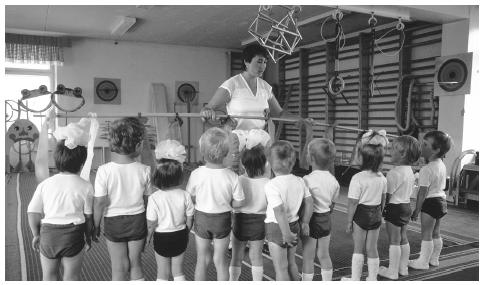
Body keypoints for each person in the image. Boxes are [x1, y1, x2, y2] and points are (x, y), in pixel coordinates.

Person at [27, 109, 96, 281]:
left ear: (56, 160)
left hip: (48, 234)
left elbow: (33, 213)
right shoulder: (86, 186)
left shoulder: (45, 184)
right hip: (73, 234)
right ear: (82, 162)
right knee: (71, 277)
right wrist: (88, 236)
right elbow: (88, 217)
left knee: (48, 277)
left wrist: (36, 234)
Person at [93, 117, 152, 281]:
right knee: (136, 263)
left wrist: (95, 225)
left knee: (118, 267)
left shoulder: (103, 171)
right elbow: (148, 201)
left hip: (114, 222)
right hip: (138, 219)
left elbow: (99, 202)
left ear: (111, 143)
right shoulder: (144, 170)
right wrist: (149, 223)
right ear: (139, 145)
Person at [186, 127, 245, 281]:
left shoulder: (196, 174)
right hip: (222, 219)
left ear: (202, 152)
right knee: (220, 260)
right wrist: (227, 202)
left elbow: (189, 197)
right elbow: (239, 203)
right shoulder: (232, 176)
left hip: (202, 218)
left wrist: (200, 200)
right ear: (226, 154)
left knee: (202, 259)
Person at [341, 130, 388, 281]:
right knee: (372, 248)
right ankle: (372, 278)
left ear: (362, 158)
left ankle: (355, 280)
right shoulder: (382, 178)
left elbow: (353, 202)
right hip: (375, 213)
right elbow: (383, 198)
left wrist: (349, 221)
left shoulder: (357, 178)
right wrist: (380, 215)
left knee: (358, 248)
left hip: (361, 214)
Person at [146, 139, 194, 281]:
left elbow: (151, 223)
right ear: (179, 176)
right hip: (180, 234)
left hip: (162, 237)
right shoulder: (185, 195)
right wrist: (186, 230)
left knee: (162, 272)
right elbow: (190, 218)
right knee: (178, 271)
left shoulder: (154, 198)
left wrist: (148, 237)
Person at [264, 140, 313, 281]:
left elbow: (279, 211)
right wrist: (305, 223)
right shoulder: (300, 180)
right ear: (292, 162)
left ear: (270, 163)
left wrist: (286, 233)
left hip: (277, 228)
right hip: (295, 225)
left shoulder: (271, 185)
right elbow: (309, 201)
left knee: (281, 268)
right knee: (291, 263)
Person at [229, 129, 271, 281]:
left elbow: (233, 202)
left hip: (240, 222)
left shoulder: (238, 180)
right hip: (259, 223)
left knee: (236, 255)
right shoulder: (267, 183)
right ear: (265, 164)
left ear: (243, 163)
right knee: (256, 256)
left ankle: (232, 281)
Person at [378, 135, 421, 279]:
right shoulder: (410, 171)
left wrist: (381, 210)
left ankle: (392, 271)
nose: (390, 151)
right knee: (403, 237)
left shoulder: (393, 173)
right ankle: (403, 268)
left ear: (402, 154)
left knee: (394, 240)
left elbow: (387, 196)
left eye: (394, 148)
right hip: (406, 207)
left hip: (395, 209)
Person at [409, 130, 452, 270]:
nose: (421, 146)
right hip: (441, 202)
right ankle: (434, 259)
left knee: (426, 234)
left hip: (430, 203)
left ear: (436, 150)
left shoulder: (426, 169)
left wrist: (417, 209)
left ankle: (423, 262)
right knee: (436, 232)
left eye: (425, 144)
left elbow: (422, 193)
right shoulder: (441, 165)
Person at [301, 138, 340, 281]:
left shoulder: (306, 179)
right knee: (324, 254)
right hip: (326, 220)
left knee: (308, 257)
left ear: (311, 159)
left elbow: (303, 203)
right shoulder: (334, 181)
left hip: (311, 220)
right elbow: (332, 205)